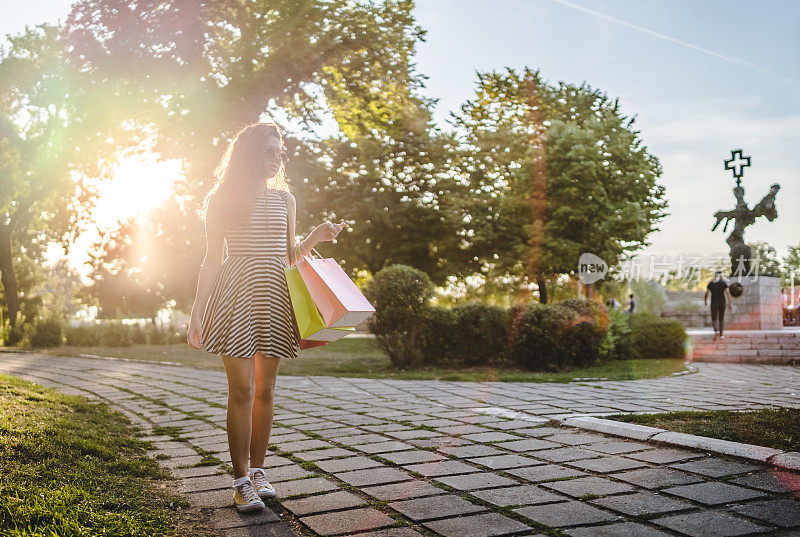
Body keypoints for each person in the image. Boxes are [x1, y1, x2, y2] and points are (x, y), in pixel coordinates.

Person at [186, 122, 345, 512]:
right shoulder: (221, 200)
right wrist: (197, 310)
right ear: (249, 154)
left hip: (275, 294)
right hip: (235, 294)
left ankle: (259, 472)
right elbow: (212, 260)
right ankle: (240, 481)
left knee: (266, 391)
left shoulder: (285, 199)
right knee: (241, 390)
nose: (279, 157)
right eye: (272, 150)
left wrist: (315, 238)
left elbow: (290, 255)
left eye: (281, 151)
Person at [705, 270, 732, 338]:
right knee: (721, 318)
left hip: (714, 302)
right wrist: (730, 303)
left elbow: (707, 293)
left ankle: (716, 330)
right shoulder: (723, 283)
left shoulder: (711, 283)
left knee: (714, 317)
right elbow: (727, 293)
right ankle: (721, 334)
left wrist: (705, 301)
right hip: (722, 302)